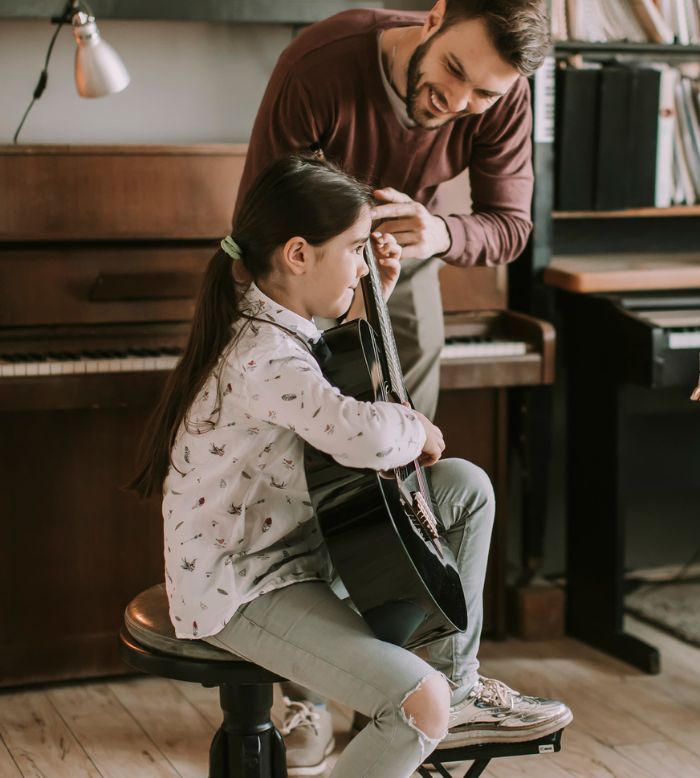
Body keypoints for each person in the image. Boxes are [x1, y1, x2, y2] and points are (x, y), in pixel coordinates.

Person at [131, 155, 571, 778]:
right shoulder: (264, 355)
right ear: (298, 255)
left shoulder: (285, 325)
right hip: (244, 584)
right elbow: (356, 434)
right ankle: (438, 704)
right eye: (356, 247)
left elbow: (335, 379)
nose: (365, 261)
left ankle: (458, 685)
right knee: (416, 705)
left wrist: (373, 302)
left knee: (465, 488)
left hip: (298, 548)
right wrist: (415, 425)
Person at [236, 1, 554, 767]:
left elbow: (510, 225)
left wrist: (442, 233)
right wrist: (332, 294)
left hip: (408, 261)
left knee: (391, 500)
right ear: (434, 13)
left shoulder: (501, 93)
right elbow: (261, 217)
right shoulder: (319, 65)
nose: (461, 103)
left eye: (483, 94)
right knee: (301, 479)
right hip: (300, 263)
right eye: (452, 72)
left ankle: (396, 700)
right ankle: (303, 693)